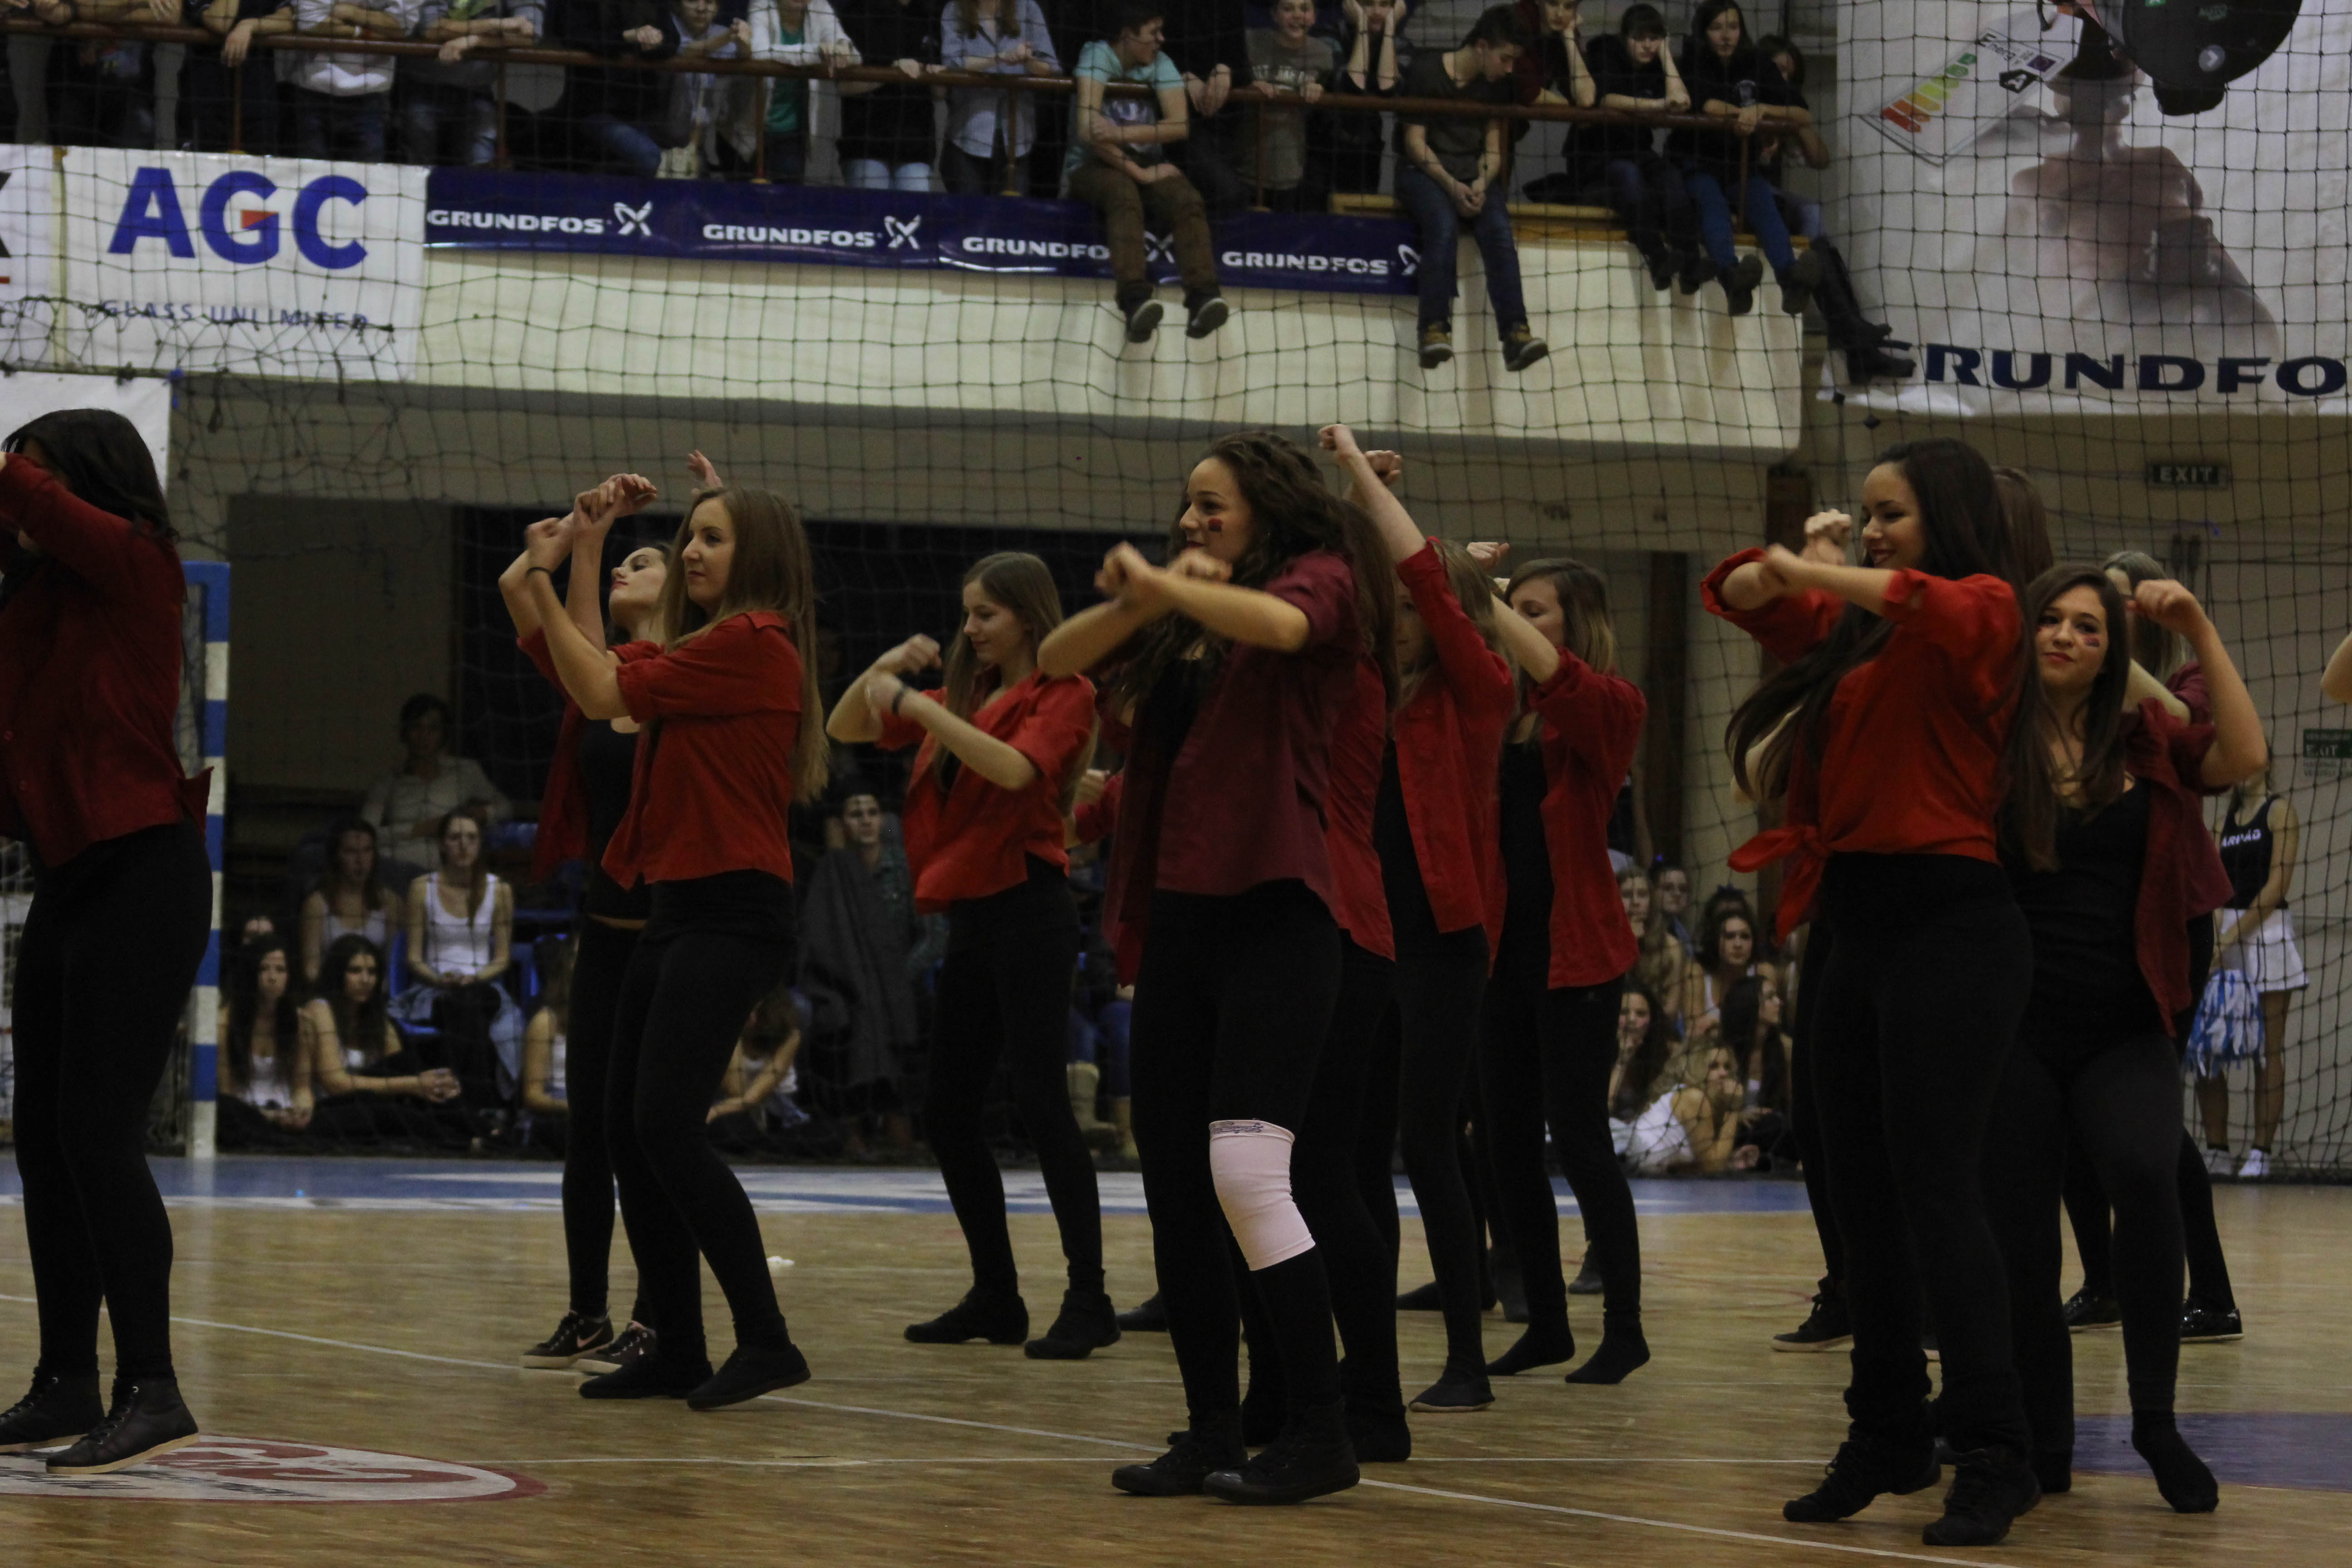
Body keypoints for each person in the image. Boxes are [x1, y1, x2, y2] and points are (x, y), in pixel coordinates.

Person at [1039, 429, 1395, 1505]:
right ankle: (1210, 1428)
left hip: (1282, 917)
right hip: (1182, 921)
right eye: (1186, 503)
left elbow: (1282, 626)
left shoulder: (1322, 577)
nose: (1192, 519)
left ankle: (1323, 1428)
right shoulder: (1180, 612)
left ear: (1267, 510)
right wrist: (1144, 598)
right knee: (1176, 1186)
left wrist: (1168, 589)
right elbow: (1057, 658)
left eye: (1213, 503)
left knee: (1246, 1171)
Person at [1710, 438, 2042, 1546]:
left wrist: (1826, 570)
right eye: (1864, 512)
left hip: (1953, 923)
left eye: (1890, 511)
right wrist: (1794, 563)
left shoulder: (1989, 606)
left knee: (1937, 1189)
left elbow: (1924, 601)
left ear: (1943, 513)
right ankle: (1887, 1428)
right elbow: (1737, 592)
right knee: (1853, 1197)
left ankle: (1995, 1452)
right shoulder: (1855, 624)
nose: (1872, 527)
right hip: (1852, 918)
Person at [521, 480, 827, 1410]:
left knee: (662, 1125)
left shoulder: (753, 642)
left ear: (756, 556)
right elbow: (599, 667)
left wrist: (542, 579)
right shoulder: (704, 646)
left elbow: (600, 684)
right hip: (678, 906)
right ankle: (679, 1348)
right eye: (689, 536)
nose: (692, 551)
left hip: (733, 909)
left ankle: (767, 1341)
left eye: (712, 539)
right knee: (626, 1128)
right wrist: (573, 557)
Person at [1984, 564, 2262, 1514]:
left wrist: (2199, 629)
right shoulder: (1987, 737)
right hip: (2011, 1028)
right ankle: (2044, 1439)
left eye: (2088, 627)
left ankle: (2153, 1422)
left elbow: (2244, 755)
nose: (2064, 636)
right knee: (2020, 1233)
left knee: (2145, 1175)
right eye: (2050, 621)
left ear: (2114, 654)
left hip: (2126, 1023)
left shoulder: (2147, 736)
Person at [828, 552, 1116, 1358]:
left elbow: (1017, 770)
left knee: (1043, 1103)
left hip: (1031, 908)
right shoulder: (964, 697)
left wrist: (918, 709)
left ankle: (1088, 1298)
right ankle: (996, 1294)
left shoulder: (1064, 691)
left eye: (986, 613)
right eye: (965, 614)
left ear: (1028, 614)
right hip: (973, 919)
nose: (970, 627)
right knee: (949, 1114)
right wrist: (887, 670)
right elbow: (844, 726)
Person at [0, 410, 216, 1475]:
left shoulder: (141, 563)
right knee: (42, 1136)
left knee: (97, 1132)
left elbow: (30, 501)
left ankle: (153, 1386)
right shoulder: (32, 598)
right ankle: (66, 1380)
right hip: (71, 876)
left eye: (39, 471)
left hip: (146, 873)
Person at [1320, 428, 1513, 1414]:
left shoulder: (1476, 695)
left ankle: (1467, 1357)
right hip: (1364, 938)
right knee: (1354, 1149)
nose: (1395, 623)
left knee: (1427, 1141)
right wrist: (1354, 504)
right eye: (1384, 609)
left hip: (1442, 943)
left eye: (1408, 611)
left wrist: (1365, 476)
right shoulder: (1364, 698)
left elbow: (1430, 588)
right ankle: (1371, 1360)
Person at [1463, 552, 1650, 1387]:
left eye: (1534, 609)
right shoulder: (1500, 714)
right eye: (1516, 607)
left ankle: (1624, 1328)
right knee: (1504, 1147)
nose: (1517, 620)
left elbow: (1560, 680)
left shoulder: (1610, 705)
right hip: (1504, 955)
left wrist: (1483, 595)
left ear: (1577, 622)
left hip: (1578, 956)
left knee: (1579, 1140)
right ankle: (1545, 1323)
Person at [503, 475, 672, 1377]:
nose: (625, 571)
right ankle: (587, 1313)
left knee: (651, 1136)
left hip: (674, 934)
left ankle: (657, 1315)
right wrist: (584, 533)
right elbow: (521, 590)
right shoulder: (604, 676)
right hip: (605, 930)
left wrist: (719, 506)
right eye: (623, 563)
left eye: (648, 561)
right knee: (590, 1132)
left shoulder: (696, 676)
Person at [1065, 4, 1230, 344]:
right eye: (1153, 32)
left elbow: (1179, 126)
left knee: (1186, 198)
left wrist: (1120, 134)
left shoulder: (1161, 62)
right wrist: (1138, 172)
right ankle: (1135, 300)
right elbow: (1087, 130)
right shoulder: (1097, 56)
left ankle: (1202, 297)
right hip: (1093, 164)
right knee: (1123, 194)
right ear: (1128, 34)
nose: (1161, 39)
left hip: (1142, 160)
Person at [1395, 6, 1546, 372]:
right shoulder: (1426, 71)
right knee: (1442, 225)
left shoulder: (1498, 87)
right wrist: (1451, 185)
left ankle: (1516, 333)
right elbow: (1415, 143)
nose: (1509, 68)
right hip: (1423, 172)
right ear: (1481, 46)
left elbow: (1493, 151)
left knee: (1499, 232)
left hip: (1470, 173)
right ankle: (1433, 329)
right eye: (1505, 58)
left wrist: (1480, 183)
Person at [797, 788, 933, 1154]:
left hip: (904, 983)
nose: (866, 821)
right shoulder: (831, 872)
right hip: (847, 985)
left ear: (884, 820)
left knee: (892, 1011)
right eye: (856, 814)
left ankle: (898, 1120)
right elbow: (821, 940)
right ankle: (852, 1125)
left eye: (873, 812)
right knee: (844, 1014)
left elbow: (934, 936)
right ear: (841, 824)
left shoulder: (906, 869)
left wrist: (894, 978)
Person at [1666, 0, 1821, 317]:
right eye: (1717, 29)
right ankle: (1731, 276)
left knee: (1764, 204)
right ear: (1704, 32)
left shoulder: (1757, 61)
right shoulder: (1695, 60)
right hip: (1697, 160)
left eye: (1733, 28)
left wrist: (1762, 109)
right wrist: (1741, 114)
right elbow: (1706, 104)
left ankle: (1790, 278)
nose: (1726, 36)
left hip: (1740, 163)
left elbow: (1802, 113)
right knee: (1712, 203)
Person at [2202, 762, 2302, 1180]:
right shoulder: (2220, 824)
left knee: (2267, 1049)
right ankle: (2217, 1150)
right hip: (2224, 937)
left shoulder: (2280, 813)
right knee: (2210, 1048)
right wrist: (2216, 939)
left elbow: (2277, 886)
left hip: (2268, 935)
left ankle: (2261, 1153)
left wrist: (2231, 937)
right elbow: (2211, 887)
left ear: (2266, 763)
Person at [392, 809, 519, 1109]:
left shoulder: (500, 890)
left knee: (471, 1001)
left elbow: (502, 958)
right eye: (455, 838)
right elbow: (414, 958)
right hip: (436, 989)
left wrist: (474, 978)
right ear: (441, 844)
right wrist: (440, 979)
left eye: (472, 838)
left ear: (480, 843)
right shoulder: (422, 888)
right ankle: (481, 1107)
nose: (464, 845)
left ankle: (452, 1104)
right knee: (465, 1010)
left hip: (484, 987)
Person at [303, 933, 471, 1147]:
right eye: (355, 971)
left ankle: (477, 1131)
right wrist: (414, 1084)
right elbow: (336, 1084)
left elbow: (401, 1067)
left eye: (372, 972)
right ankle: (466, 1139)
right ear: (338, 974)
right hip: (330, 1111)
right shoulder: (319, 1009)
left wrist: (429, 1083)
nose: (365, 980)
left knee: (408, 1067)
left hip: (370, 1107)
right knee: (383, 1105)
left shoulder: (376, 1018)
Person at [1573, 4, 1692, 291]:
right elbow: (1606, 99)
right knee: (1629, 176)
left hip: (1638, 151)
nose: (1647, 45)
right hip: (1597, 154)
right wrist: (1658, 105)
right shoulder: (1606, 52)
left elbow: (1682, 102)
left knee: (1671, 178)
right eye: (1640, 38)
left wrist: (1666, 54)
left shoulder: (1657, 65)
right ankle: (1657, 258)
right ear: (1625, 37)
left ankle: (1690, 264)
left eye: (1654, 38)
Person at [360, 692, 510, 877]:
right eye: (416, 727)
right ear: (405, 733)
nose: (424, 736)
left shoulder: (464, 772)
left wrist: (482, 814)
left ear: (444, 735)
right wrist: (421, 829)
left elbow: (505, 807)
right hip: (398, 870)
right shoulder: (388, 781)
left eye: (433, 729)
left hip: (450, 872)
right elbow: (364, 834)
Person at [404, 0, 544, 165]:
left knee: (480, 169)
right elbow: (432, 28)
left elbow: (530, 34)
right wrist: (498, 25)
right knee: (417, 172)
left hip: (478, 92)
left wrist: (473, 41)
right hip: (424, 88)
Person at [940, 0, 1059, 193]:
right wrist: (999, 58)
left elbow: (1051, 67)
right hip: (967, 134)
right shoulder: (955, 8)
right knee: (968, 209)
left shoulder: (1028, 8)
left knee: (1012, 210)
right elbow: (951, 63)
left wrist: (1028, 60)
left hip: (1018, 138)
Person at [287, 0, 423, 161]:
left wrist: (353, 13)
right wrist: (364, 31)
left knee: (367, 174)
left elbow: (402, 27)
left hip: (370, 98)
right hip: (313, 93)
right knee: (310, 173)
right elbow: (309, 21)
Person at [215, 936, 314, 1150]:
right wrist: (271, 1117)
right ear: (251, 974)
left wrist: (302, 1111)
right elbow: (227, 1093)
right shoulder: (225, 1023)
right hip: (244, 1116)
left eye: (281, 970)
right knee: (222, 1109)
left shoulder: (301, 1022)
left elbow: (302, 1087)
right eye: (264, 969)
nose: (273, 978)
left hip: (286, 1114)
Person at [748, 0, 859, 184]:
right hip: (751, 128)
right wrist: (817, 53)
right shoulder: (762, 4)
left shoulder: (820, 7)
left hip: (790, 132)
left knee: (788, 195)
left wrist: (843, 48)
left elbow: (855, 57)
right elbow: (759, 53)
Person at [1243, 0, 1337, 209]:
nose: (1297, 16)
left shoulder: (1323, 54)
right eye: (1288, 9)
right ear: (1274, 14)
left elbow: (1326, 104)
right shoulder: (1251, 42)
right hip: (1246, 163)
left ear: (1314, 16)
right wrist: (1248, 85)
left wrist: (1319, 89)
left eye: (1304, 9)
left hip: (1290, 167)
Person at [837, 0, 939, 191]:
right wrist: (893, 73)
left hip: (916, 146)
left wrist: (935, 74)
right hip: (865, 143)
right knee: (870, 208)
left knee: (913, 208)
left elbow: (940, 93)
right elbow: (845, 86)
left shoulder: (929, 17)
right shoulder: (858, 14)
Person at [298, 817, 404, 984]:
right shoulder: (316, 905)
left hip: (376, 992)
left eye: (367, 850)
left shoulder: (391, 902)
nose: (360, 860)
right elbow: (311, 970)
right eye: (351, 852)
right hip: (331, 990)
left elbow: (394, 967)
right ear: (336, 855)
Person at [1622, 1040, 1749, 1174]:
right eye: (1714, 1066)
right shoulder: (1693, 1097)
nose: (1724, 1073)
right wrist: (1733, 1108)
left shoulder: (1701, 1098)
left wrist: (1731, 1160)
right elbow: (1713, 1167)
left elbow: (1704, 1159)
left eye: (1727, 1067)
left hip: (1663, 1175)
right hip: (1647, 1177)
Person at [1327, 0, 1405, 195]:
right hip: (1322, 143)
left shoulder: (1401, 44)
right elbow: (1354, 85)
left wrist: (1389, 30)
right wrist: (1362, 25)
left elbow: (1388, 88)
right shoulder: (1330, 34)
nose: (1376, 11)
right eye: (1368, 4)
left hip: (1368, 148)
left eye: (1385, 4)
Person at [1715, 972, 1789, 1163]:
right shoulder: (1725, 1049)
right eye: (1770, 997)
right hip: (1730, 1131)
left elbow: (1792, 1103)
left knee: (1777, 1126)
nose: (1779, 1002)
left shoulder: (1785, 1048)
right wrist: (1739, 1117)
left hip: (1768, 1133)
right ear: (1750, 1005)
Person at [520, 938, 575, 1158]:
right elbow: (533, 1095)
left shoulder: (613, 1019)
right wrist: (575, 1106)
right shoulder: (546, 1021)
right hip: (559, 1111)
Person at [1617, 867, 1686, 1035]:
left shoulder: (1671, 946)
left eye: (1642, 895)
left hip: (1656, 1033)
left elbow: (1671, 1012)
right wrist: (1629, 945)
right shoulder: (1602, 944)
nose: (1635, 902)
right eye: (1627, 895)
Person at [1681, 900, 1759, 1038]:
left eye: (1745, 937)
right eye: (1730, 937)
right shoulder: (1696, 972)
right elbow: (1695, 1031)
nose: (1738, 944)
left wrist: (1715, 1024)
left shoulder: (1761, 972)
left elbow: (1765, 1031)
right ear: (1715, 941)